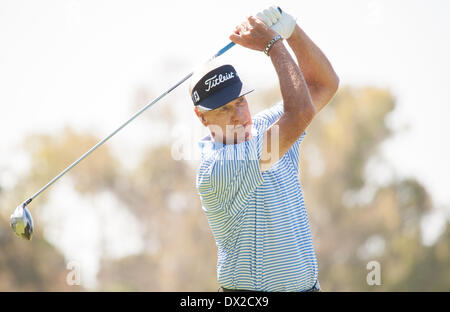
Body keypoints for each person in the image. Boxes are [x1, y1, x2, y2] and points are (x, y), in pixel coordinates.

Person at [190, 6, 339, 291]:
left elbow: (324, 84)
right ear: (202, 116)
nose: (237, 115)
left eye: (240, 102)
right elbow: (300, 113)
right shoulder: (218, 169)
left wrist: (292, 31)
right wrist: (273, 44)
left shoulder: (264, 127)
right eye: (223, 109)